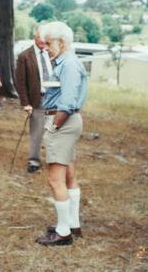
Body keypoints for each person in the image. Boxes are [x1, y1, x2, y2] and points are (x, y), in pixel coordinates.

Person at [35, 22, 88, 246]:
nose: (45, 47)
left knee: (54, 179)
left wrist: (54, 126)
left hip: (62, 122)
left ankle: (63, 232)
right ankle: (72, 224)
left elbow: (66, 103)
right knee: (68, 176)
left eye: (48, 43)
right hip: (67, 122)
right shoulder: (66, 62)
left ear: (62, 42)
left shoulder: (68, 64)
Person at [15, 25, 53, 173]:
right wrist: (25, 103)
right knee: (36, 132)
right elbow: (20, 82)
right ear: (35, 37)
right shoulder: (25, 56)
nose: (43, 40)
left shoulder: (52, 53)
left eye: (46, 38)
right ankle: (34, 161)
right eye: (41, 37)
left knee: (54, 131)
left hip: (54, 98)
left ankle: (53, 160)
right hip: (38, 99)